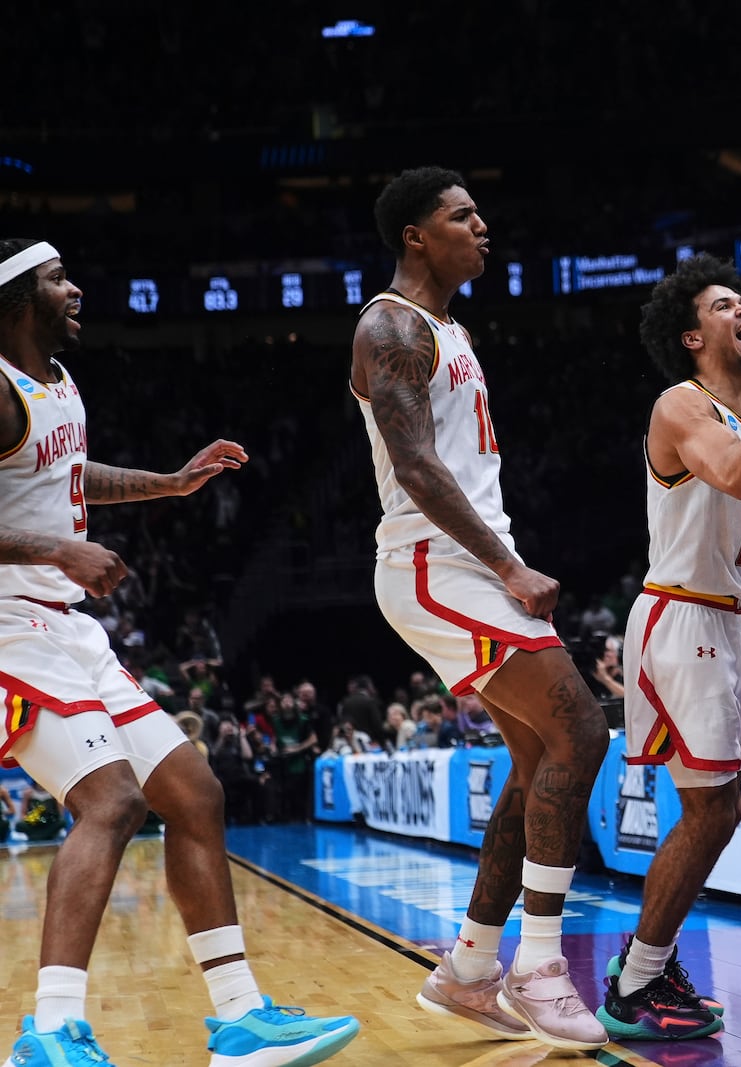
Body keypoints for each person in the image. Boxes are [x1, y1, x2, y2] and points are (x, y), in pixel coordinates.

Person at [0, 238, 360, 1066]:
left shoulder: (54, 381)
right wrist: (58, 553)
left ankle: (240, 1019)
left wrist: (166, 483)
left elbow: (66, 476)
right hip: (12, 629)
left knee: (193, 791)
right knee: (113, 801)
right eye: (59, 279)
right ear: (19, 299)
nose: (77, 287)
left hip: (68, 628)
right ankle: (48, 1032)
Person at [350, 168, 611, 1050]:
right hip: (435, 565)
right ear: (416, 236)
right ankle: (539, 966)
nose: (482, 226)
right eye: (462, 216)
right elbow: (417, 466)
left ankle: (468, 968)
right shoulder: (390, 324)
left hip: (467, 563)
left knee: (541, 753)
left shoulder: (448, 328)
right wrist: (508, 564)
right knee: (582, 729)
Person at [609, 254, 741, 1040]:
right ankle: (635, 980)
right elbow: (737, 475)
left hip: (728, 623)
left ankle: (647, 961)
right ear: (692, 335)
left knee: (717, 809)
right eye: (725, 304)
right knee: (710, 809)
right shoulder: (681, 405)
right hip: (684, 618)